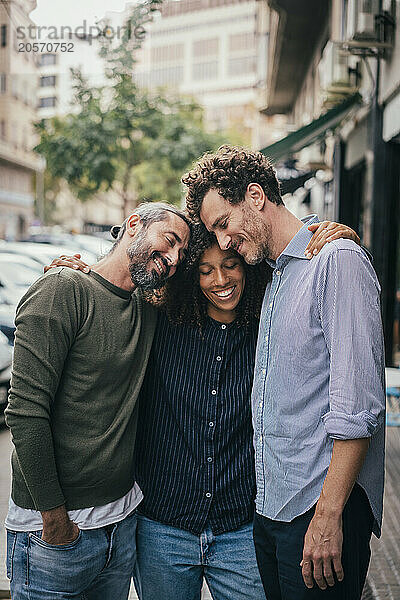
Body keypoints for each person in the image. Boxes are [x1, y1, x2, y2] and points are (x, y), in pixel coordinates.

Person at [48, 217, 359, 600]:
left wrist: (339, 237)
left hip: (242, 529)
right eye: (204, 270)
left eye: (230, 265)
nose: (219, 280)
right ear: (189, 276)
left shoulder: (270, 328)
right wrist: (76, 272)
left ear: (247, 268)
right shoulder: (159, 321)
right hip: (164, 530)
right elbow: (115, 285)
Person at [183, 145, 386, 600]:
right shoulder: (276, 276)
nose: (223, 241)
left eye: (223, 223)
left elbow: (358, 409)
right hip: (273, 512)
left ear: (255, 196)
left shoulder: (337, 261)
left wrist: (329, 515)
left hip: (319, 511)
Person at [5, 202, 190, 600]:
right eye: (170, 241)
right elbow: (25, 411)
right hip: (55, 535)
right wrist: (54, 518)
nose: (174, 259)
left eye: (181, 254)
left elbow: (228, 273)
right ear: (134, 224)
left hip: (122, 525)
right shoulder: (63, 289)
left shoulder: (148, 305)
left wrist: (320, 236)